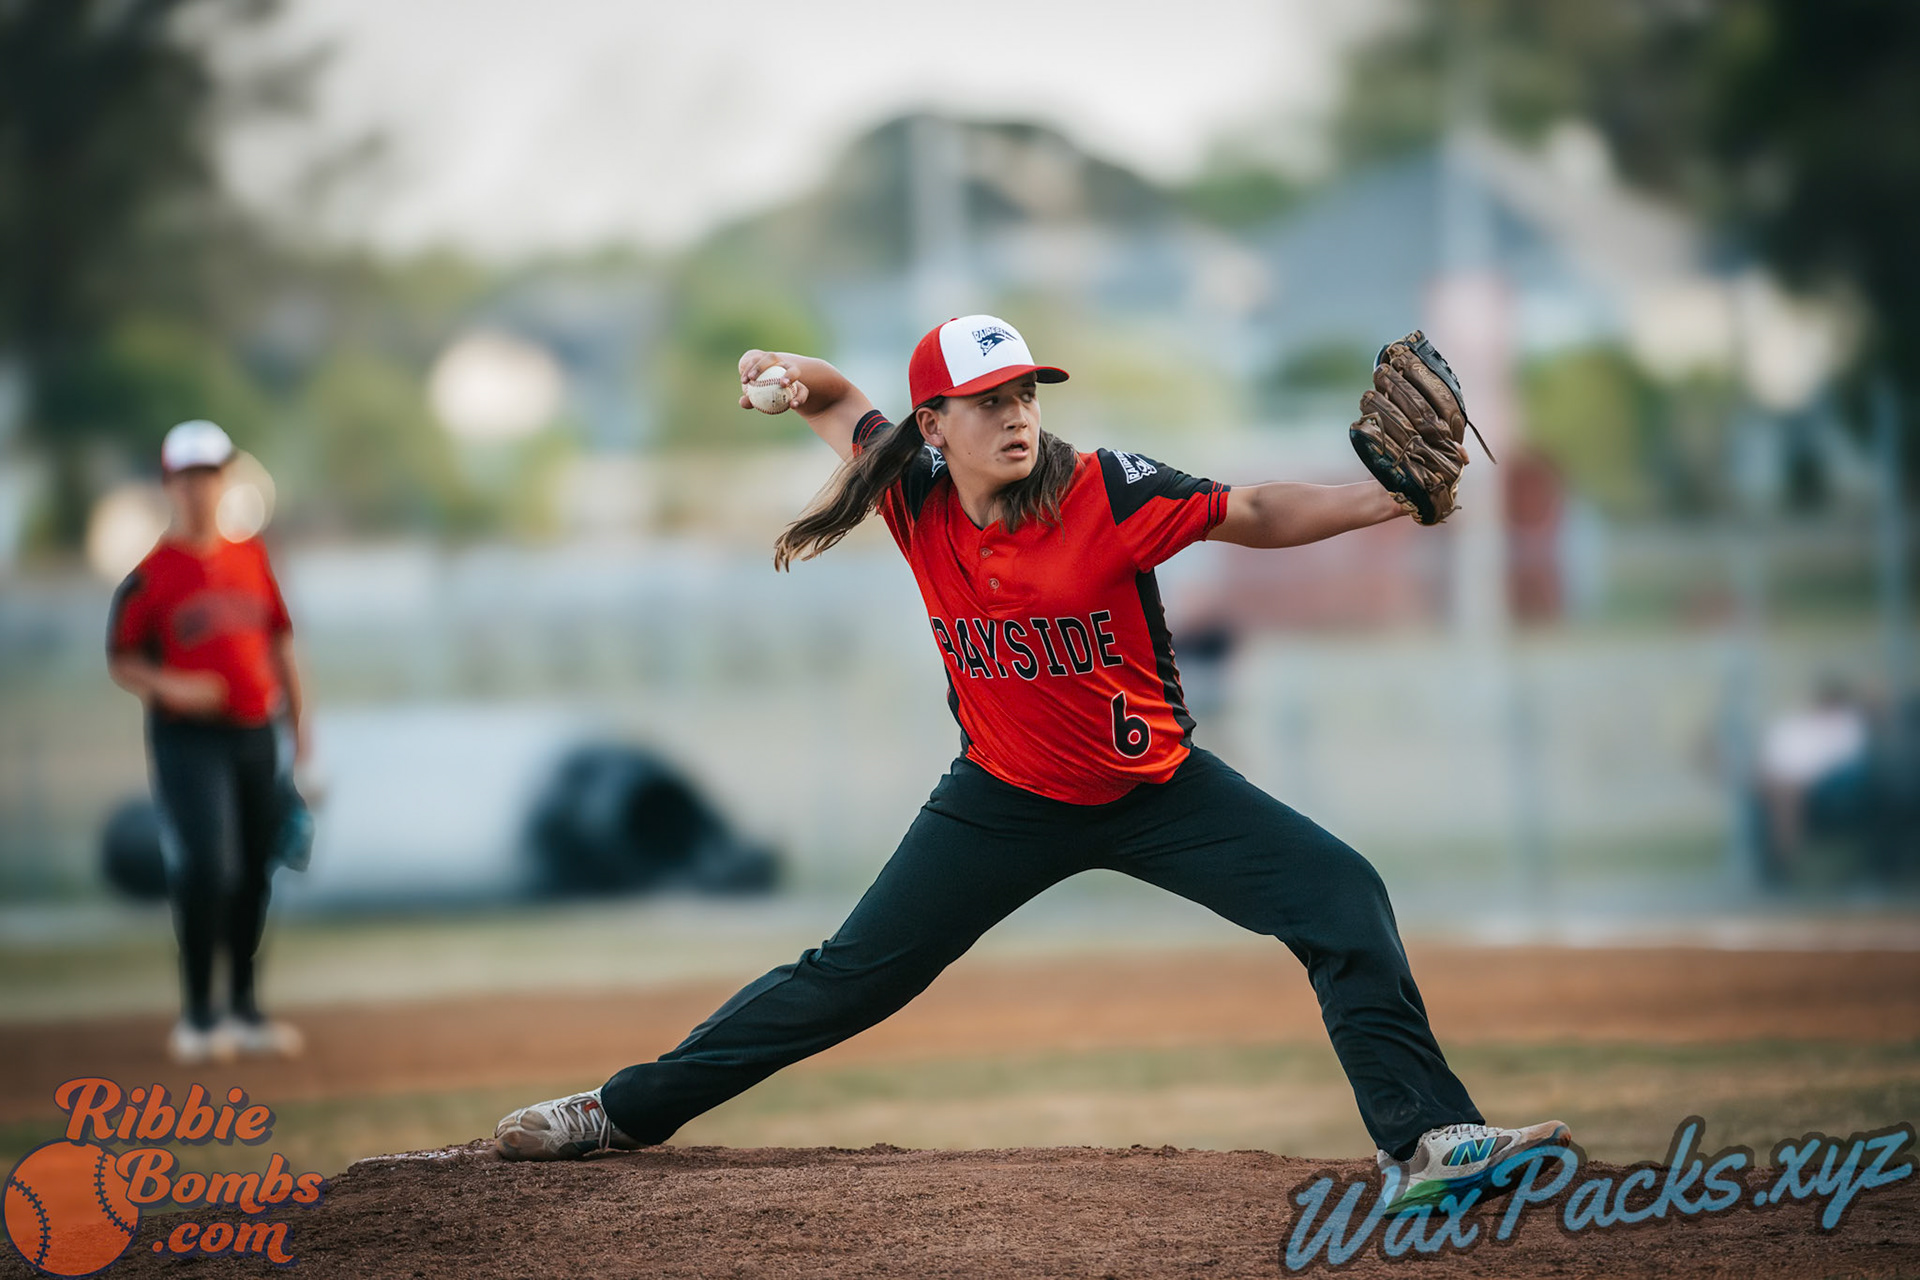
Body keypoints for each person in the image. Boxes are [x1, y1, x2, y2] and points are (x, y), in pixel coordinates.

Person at [494, 316, 1567, 1206]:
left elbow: (1250, 509)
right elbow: (835, 397)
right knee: (846, 981)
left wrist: (1386, 496)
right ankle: (618, 1111)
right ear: (933, 424)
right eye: (987, 400)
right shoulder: (910, 489)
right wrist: (776, 373)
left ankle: (1426, 1141)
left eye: (1023, 394)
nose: (1015, 415)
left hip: (1159, 791)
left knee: (1341, 895)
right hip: (1001, 796)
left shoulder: (1108, 491)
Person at [107, 420, 307, 1064]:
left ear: (225, 481)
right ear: (170, 484)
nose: (200, 487)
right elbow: (122, 658)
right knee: (209, 868)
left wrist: (304, 737)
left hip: (255, 733)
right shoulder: (152, 575)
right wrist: (173, 686)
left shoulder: (251, 556)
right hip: (189, 741)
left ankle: (244, 1010)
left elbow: (281, 645)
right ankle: (198, 1016)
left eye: (210, 474)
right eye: (188, 476)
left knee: (254, 870)